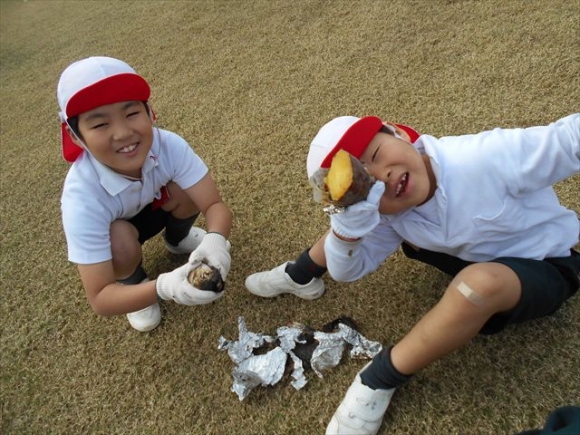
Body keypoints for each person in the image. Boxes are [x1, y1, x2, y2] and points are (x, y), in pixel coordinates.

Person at [245, 114, 580, 434]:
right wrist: (347, 229)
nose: (381, 177)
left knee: (477, 287)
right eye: (363, 181)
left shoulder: (483, 157)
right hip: (467, 253)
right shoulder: (387, 205)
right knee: (360, 227)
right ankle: (300, 273)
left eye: (375, 153)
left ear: (398, 133)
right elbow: (348, 270)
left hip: (546, 265)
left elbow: (567, 139)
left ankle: (379, 376)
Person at [58, 56, 232, 332]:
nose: (123, 133)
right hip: (120, 234)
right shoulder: (81, 196)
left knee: (184, 189)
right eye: (100, 124)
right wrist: (164, 287)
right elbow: (101, 297)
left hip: (157, 207)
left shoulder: (168, 145)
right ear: (76, 136)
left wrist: (215, 239)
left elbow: (213, 204)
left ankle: (178, 239)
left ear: (150, 112)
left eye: (131, 113)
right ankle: (135, 283)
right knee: (120, 239)